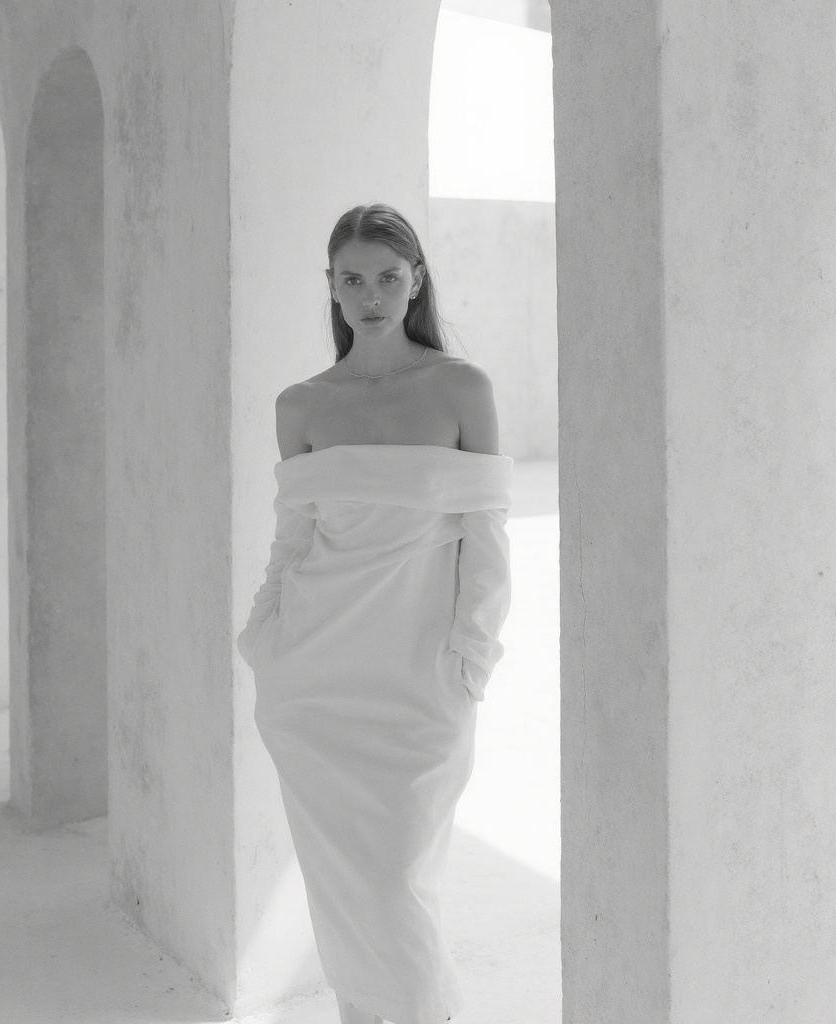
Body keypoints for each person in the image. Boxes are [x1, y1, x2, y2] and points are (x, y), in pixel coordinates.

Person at [236, 204, 513, 1024]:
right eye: (351, 278)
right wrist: (265, 640)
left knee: (396, 883)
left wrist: (472, 658)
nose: (370, 295)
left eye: (388, 277)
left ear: (417, 280)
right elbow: (292, 544)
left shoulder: (462, 388)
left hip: (418, 679)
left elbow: (485, 539)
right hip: (313, 682)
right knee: (344, 888)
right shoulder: (301, 406)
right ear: (330, 285)